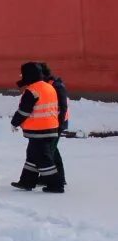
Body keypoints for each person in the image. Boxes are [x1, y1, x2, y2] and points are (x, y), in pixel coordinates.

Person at [10, 61, 64, 193]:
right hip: (51, 129)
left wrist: (14, 122)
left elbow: (24, 111)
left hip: (39, 131)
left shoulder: (32, 91)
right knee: (32, 156)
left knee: (43, 159)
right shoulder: (49, 87)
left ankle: (56, 185)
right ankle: (26, 182)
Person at [40, 62, 68, 190]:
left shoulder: (56, 86)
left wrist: (59, 124)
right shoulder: (49, 85)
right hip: (52, 123)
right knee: (52, 151)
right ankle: (58, 178)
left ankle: (56, 181)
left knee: (49, 151)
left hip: (57, 124)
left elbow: (63, 107)